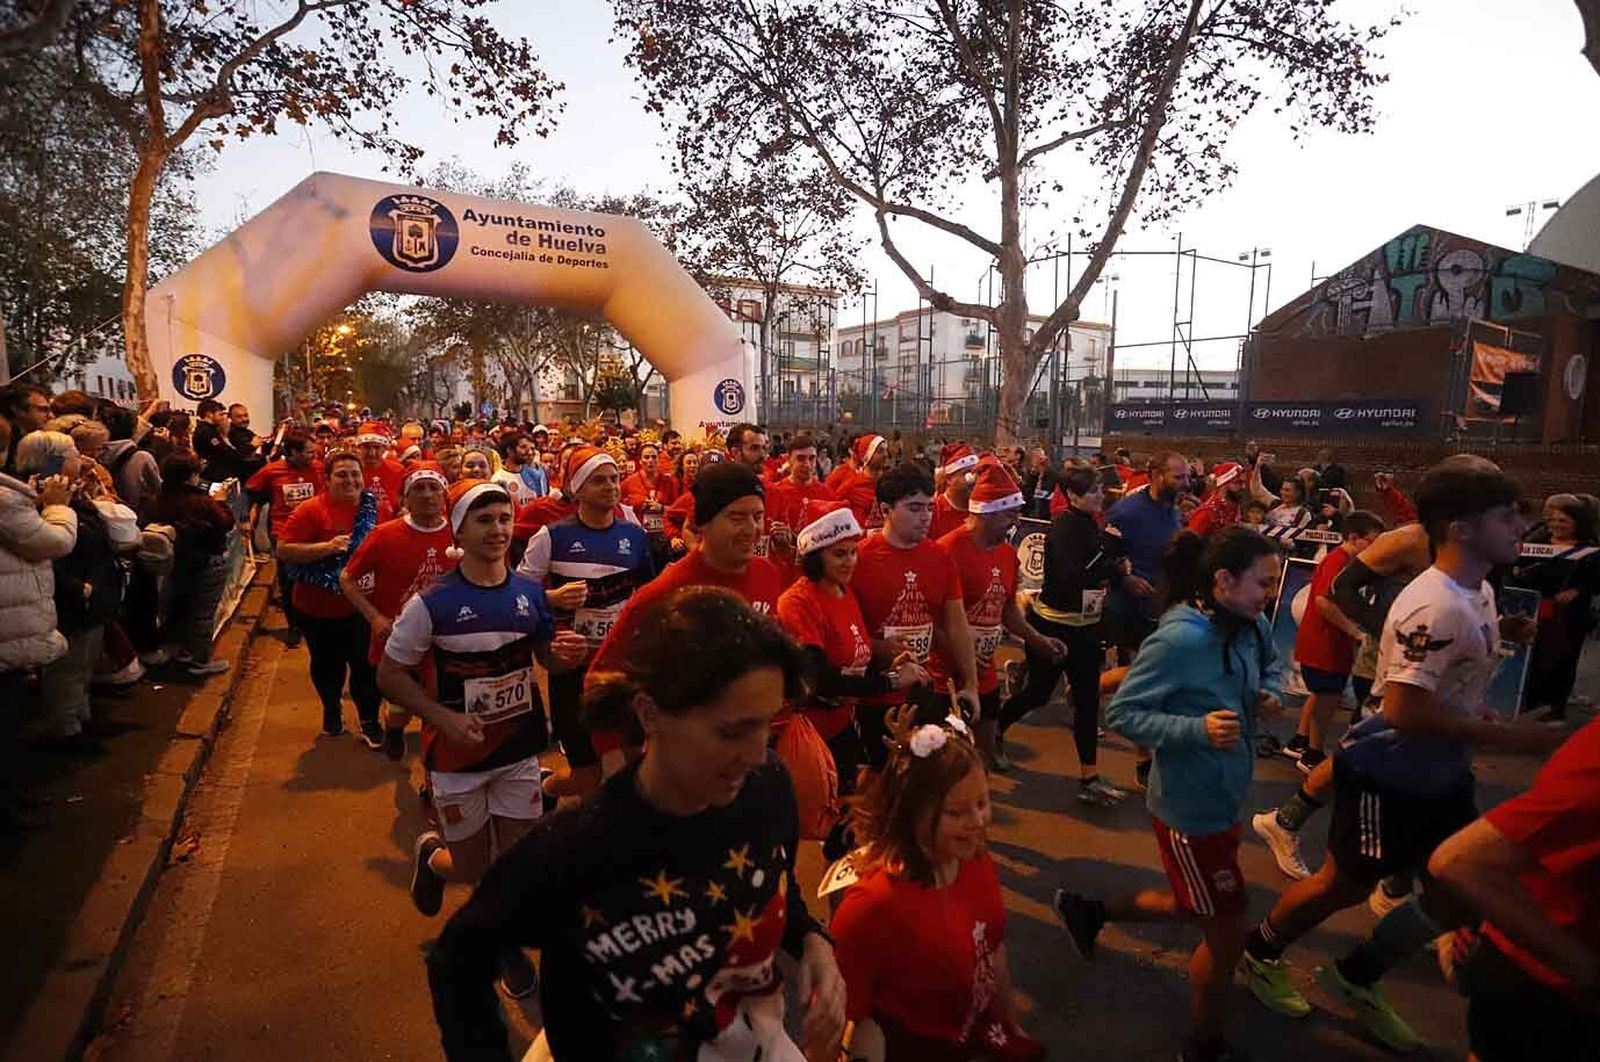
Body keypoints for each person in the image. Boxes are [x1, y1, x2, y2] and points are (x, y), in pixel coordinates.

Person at [426, 587, 845, 1060]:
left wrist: (813, 941)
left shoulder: (769, 789)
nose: (755, 755)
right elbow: (457, 959)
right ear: (650, 715)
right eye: (730, 731)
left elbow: (773, 877)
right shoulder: (576, 850)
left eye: (766, 725)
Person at [1238, 462, 1565, 1053]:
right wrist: (1516, 739)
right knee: (1342, 886)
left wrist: (1505, 634)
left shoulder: (1480, 589)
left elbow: (1445, 679)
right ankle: (1258, 953)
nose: (1521, 526)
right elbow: (1402, 712)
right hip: (1390, 772)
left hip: (1442, 772)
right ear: (1461, 529)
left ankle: (1356, 975)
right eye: (1506, 515)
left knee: (1459, 884)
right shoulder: (1436, 605)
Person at [1055, 528, 1285, 1062]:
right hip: (1188, 809)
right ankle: (1204, 1045)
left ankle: (1088, 912)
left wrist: (1268, 693)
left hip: (1226, 793)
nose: (1269, 595)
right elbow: (1122, 714)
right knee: (1227, 936)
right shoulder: (1179, 639)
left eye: (1274, 584)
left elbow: (1272, 667)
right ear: (1223, 580)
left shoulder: (1254, 624)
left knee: (1195, 904)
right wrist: (1196, 730)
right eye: (1263, 583)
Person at [382, 478, 587, 999]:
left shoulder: (529, 595)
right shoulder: (432, 604)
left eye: (504, 519)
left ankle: (505, 947)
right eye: (485, 520)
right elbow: (390, 674)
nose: (499, 530)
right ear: (460, 530)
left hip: (519, 750)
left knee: (513, 865)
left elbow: (542, 655)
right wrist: (442, 719)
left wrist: (562, 654)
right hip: (457, 757)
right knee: (472, 865)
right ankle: (433, 857)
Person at [829, 705, 1043, 1061]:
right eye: (957, 812)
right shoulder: (873, 904)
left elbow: (991, 946)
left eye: (983, 802)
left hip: (976, 1035)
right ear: (913, 813)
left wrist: (1009, 1022)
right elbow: (839, 1018)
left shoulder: (971, 855)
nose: (977, 821)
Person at [1428, 718, 1600, 1062]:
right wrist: (1588, 973)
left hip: (1533, 968)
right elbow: (1461, 861)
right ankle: (1358, 970)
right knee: (1349, 881)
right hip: (1543, 987)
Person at [516, 445, 654, 798]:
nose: (610, 487)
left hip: (620, 664)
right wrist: (552, 598)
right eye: (598, 481)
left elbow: (647, 595)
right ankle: (545, 791)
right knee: (586, 778)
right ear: (577, 489)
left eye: (614, 479)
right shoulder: (551, 537)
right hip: (571, 666)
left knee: (633, 760)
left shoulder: (633, 535)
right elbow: (515, 596)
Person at [777, 501, 928, 814]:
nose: (850, 561)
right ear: (816, 557)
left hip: (843, 726)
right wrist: (890, 680)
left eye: (853, 552)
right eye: (839, 554)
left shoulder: (844, 592)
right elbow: (821, 681)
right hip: (809, 736)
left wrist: (886, 659)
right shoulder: (798, 602)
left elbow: (851, 655)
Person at [996, 463, 1129, 804]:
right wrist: (1111, 557)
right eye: (1093, 491)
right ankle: (995, 729)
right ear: (1072, 495)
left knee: (1087, 704)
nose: (1101, 496)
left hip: (1085, 628)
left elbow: (1097, 571)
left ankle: (1090, 777)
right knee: (1039, 694)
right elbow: (1076, 575)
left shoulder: (1090, 523)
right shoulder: (1064, 526)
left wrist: (1112, 565)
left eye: (1101, 490)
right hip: (1053, 626)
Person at [934, 455, 1065, 770]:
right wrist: (959, 655)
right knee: (945, 756)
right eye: (1010, 513)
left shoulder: (1008, 554)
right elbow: (930, 617)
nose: (1017, 521)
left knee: (985, 744)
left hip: (987, 669)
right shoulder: (946, 551)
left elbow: (1007, 609)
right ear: (987, 513)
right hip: (943, 674)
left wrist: (1039, 641)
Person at [852, 462, 978, 770]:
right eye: (914, 508)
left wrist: (971, 684)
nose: (925, 517)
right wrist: (887, 651)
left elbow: (956, 624)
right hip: (875, 697)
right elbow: (846, 633)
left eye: (928, 508)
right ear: (885, 510)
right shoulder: (858, 559)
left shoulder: (940, 557)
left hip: (928, 691)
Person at [341, 465, 457, 760]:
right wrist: (374, 617)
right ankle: (394, 730)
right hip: (398, 636)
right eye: (419, 489)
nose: (428, 495)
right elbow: (347, 578)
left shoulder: (461, 532)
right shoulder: (384, 535)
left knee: (444, 701)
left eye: (434, 488)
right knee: (402, 700)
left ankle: (437, 772)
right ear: (404, 497)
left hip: (448, 637)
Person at [277, 450, 391, 746]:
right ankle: (331, 708)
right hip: (318, 608)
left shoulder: (378, 508)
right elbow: (284, 550)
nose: (350, 480)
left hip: (364, 608)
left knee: (366, 665)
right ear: (326, 479)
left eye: (355, 474)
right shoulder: (310, 511)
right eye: (341, 474)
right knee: (328, 665)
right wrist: (327, 547)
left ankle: (368, 719)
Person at [1104, 450, 1189, 790]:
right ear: (1155, 475)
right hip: (1127, 608)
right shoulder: (1126, 510)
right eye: (1178, 477)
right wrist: (1125, 579)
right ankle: (1144, 757)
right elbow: (1105, 554)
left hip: (1160, 607)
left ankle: (1084, 691)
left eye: (1185, 477)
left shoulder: (1173, 511)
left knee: (1147, 677)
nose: (1185, 483)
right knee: (1143, 679)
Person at [1281, 510, 1387, 773]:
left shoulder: (1342, 562)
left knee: (1320, 695)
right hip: (1326, 641)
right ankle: (1313, 755)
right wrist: (1356, 632)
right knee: (1328, 698)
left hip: (1322, 640)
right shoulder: (1338, 561)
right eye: (1372, 541)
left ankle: (1300, 741)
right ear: (1353, 537)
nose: (1377, 548)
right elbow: (1323, 603)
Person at [142, 452, 237, 677]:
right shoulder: (201, 503)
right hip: (207, 562)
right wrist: (221, 502)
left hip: (176, 563)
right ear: (190, 477)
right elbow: (225, 522)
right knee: (203, 612)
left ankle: (181, 650)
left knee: (180, 606)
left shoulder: (159, 500)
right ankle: (200, 659)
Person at [1512, 493, 1598, 721]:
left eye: (1564, 522)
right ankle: (1527, 707)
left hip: (1569, 617)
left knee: (1561, 662)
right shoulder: (1535, 545)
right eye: (1554, 521)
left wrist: (1579, 591)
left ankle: (1553, 709)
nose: (1557, 526)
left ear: (1577, 524)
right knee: (1533, 659)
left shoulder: (1590, 552)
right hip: (1535, 609)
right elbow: (1516, 573)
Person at [246, 434, 325, 635]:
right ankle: (294, 626)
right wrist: (246, 519)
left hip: (315, 533)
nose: (313, 456)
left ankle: (313, 622)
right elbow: (250, 491)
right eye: (308, 452)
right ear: (293, 452)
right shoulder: (272, 471)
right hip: (284, 534)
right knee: (289, 581)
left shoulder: (319, 468)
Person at [763, 431, 836, 585]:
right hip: (785, 575)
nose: (807, 464)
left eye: (812, 458)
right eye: (801, 458)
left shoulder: (827, 494)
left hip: (817, 574)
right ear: (789, 459)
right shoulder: (776, 492)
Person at [99, 406, 162, 511]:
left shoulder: (90, 453)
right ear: (133, 429)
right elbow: (158, 490)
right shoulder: (142, 457)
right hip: (134, 515)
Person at [832, 434, 890, 532]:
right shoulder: (851, 486)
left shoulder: (890, 483)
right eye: (880, 451)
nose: (885, 455)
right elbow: (833, 514)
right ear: (867, 456)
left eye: (885, 450)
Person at [618, 441, 677, 535]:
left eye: (654, 457)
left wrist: (662, 508)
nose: (650, 460)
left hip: (665, 534)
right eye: (646, 457)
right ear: (640, 461)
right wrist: (639, 506)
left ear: (658, 460)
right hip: (637, 532)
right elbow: (618, 508)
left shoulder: (669, 482)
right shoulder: (628, 482)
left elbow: (677, 509)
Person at [930, 443, 978, 541]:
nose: (973, 480)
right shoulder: (934, 511)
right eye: (966, 473)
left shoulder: (983, 510)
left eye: (976, 473)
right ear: (949, 479)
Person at [491, 431, 544, 507]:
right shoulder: (498, 480)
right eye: (523, 447)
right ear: (509, 450)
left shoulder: (534, 474)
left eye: (532, 448)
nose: (529, 452)